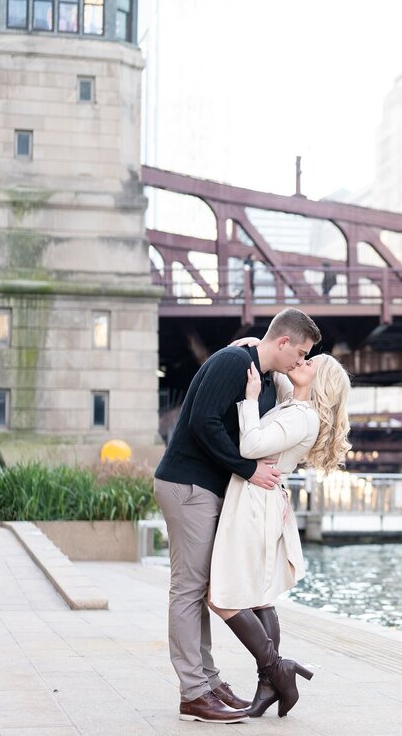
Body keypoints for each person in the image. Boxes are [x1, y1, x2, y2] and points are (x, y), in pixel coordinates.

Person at [153, 308, 320, 724]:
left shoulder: (262, 378)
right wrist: (247, 470)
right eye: (299, 352)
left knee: (206, 586)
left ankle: (208, 681)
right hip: (188, 484)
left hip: (207, 489)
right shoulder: (234, 362)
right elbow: (202, 421)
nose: (301, 361)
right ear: (283, 342)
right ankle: (194, 692)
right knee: (189, 589)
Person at [206, 350, 351, 718]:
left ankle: (276, 669)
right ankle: (270, 681)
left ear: (318, 382)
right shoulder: (295, 404)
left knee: (221, 597)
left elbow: (250, 447)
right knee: (259, 597)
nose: (302, 362)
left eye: (310, 364)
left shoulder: (302, 418)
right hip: (260, 500)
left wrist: (251, 399)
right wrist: (257, 343)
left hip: (255, 501)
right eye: (304, 356)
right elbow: (279, 365)